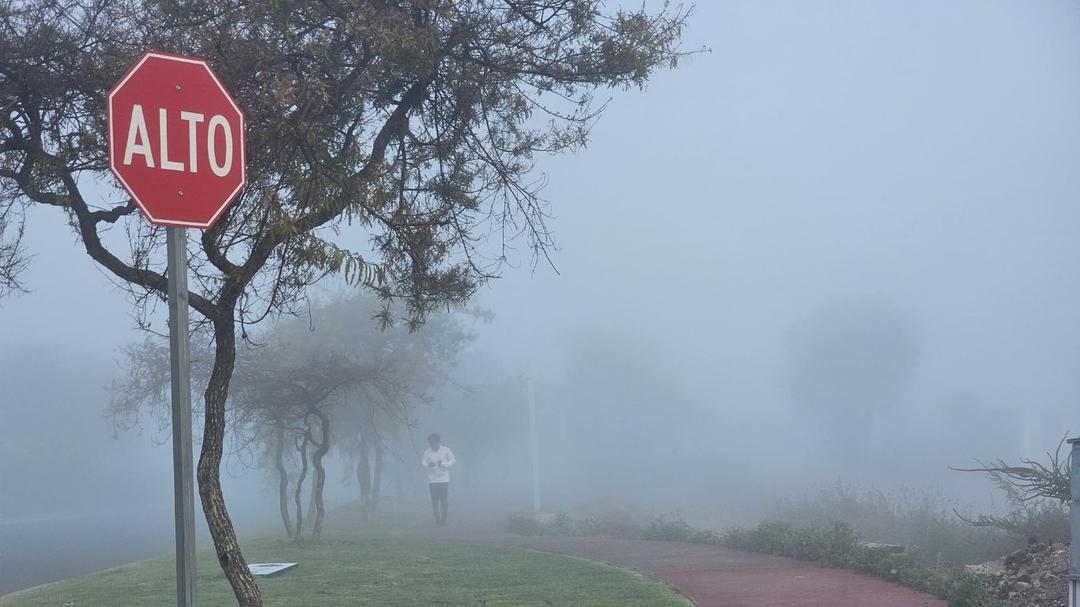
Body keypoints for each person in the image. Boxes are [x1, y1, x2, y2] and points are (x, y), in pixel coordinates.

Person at [421, 433, 455, 525]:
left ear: (438, 442)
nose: (433, 445)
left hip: (444, 479)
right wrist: (428, 465)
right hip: (432, 480)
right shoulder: (427, 452)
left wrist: (444, 464)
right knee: (434, 500)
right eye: (431, 443)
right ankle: (437, 519)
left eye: (434, 443)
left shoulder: (446, 450)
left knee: (443, 499)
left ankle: (444, 518)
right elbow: (423, 462)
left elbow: (452, 460)